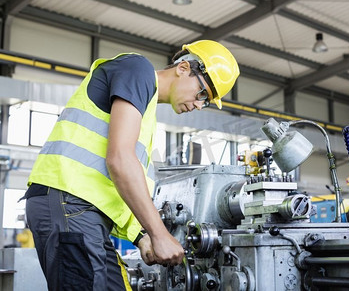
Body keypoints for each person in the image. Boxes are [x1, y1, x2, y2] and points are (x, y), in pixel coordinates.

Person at [24, 40, 240, 290]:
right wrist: (159, 234)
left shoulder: (144, 113)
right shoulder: (138, 69)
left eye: (207, 101)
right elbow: (120, 161)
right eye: (202, 93)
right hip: (68, 203)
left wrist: (142, 237)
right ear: (183, 68)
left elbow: (115, 184)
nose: (200, 104)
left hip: (83, 212)